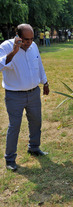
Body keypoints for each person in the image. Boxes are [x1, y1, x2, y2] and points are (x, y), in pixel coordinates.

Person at [0, 24, 50, 171]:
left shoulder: (33, 46)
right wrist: (14, 52)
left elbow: (39, 64)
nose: (28, 42)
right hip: (14, 95)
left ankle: (34, 147)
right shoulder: (6, 46)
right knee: (14, 126)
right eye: (25, 39)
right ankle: (10, 159)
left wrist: (45, 82)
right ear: (18, 36)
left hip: (33, 93)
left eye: (31, 39)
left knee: (36, 122)